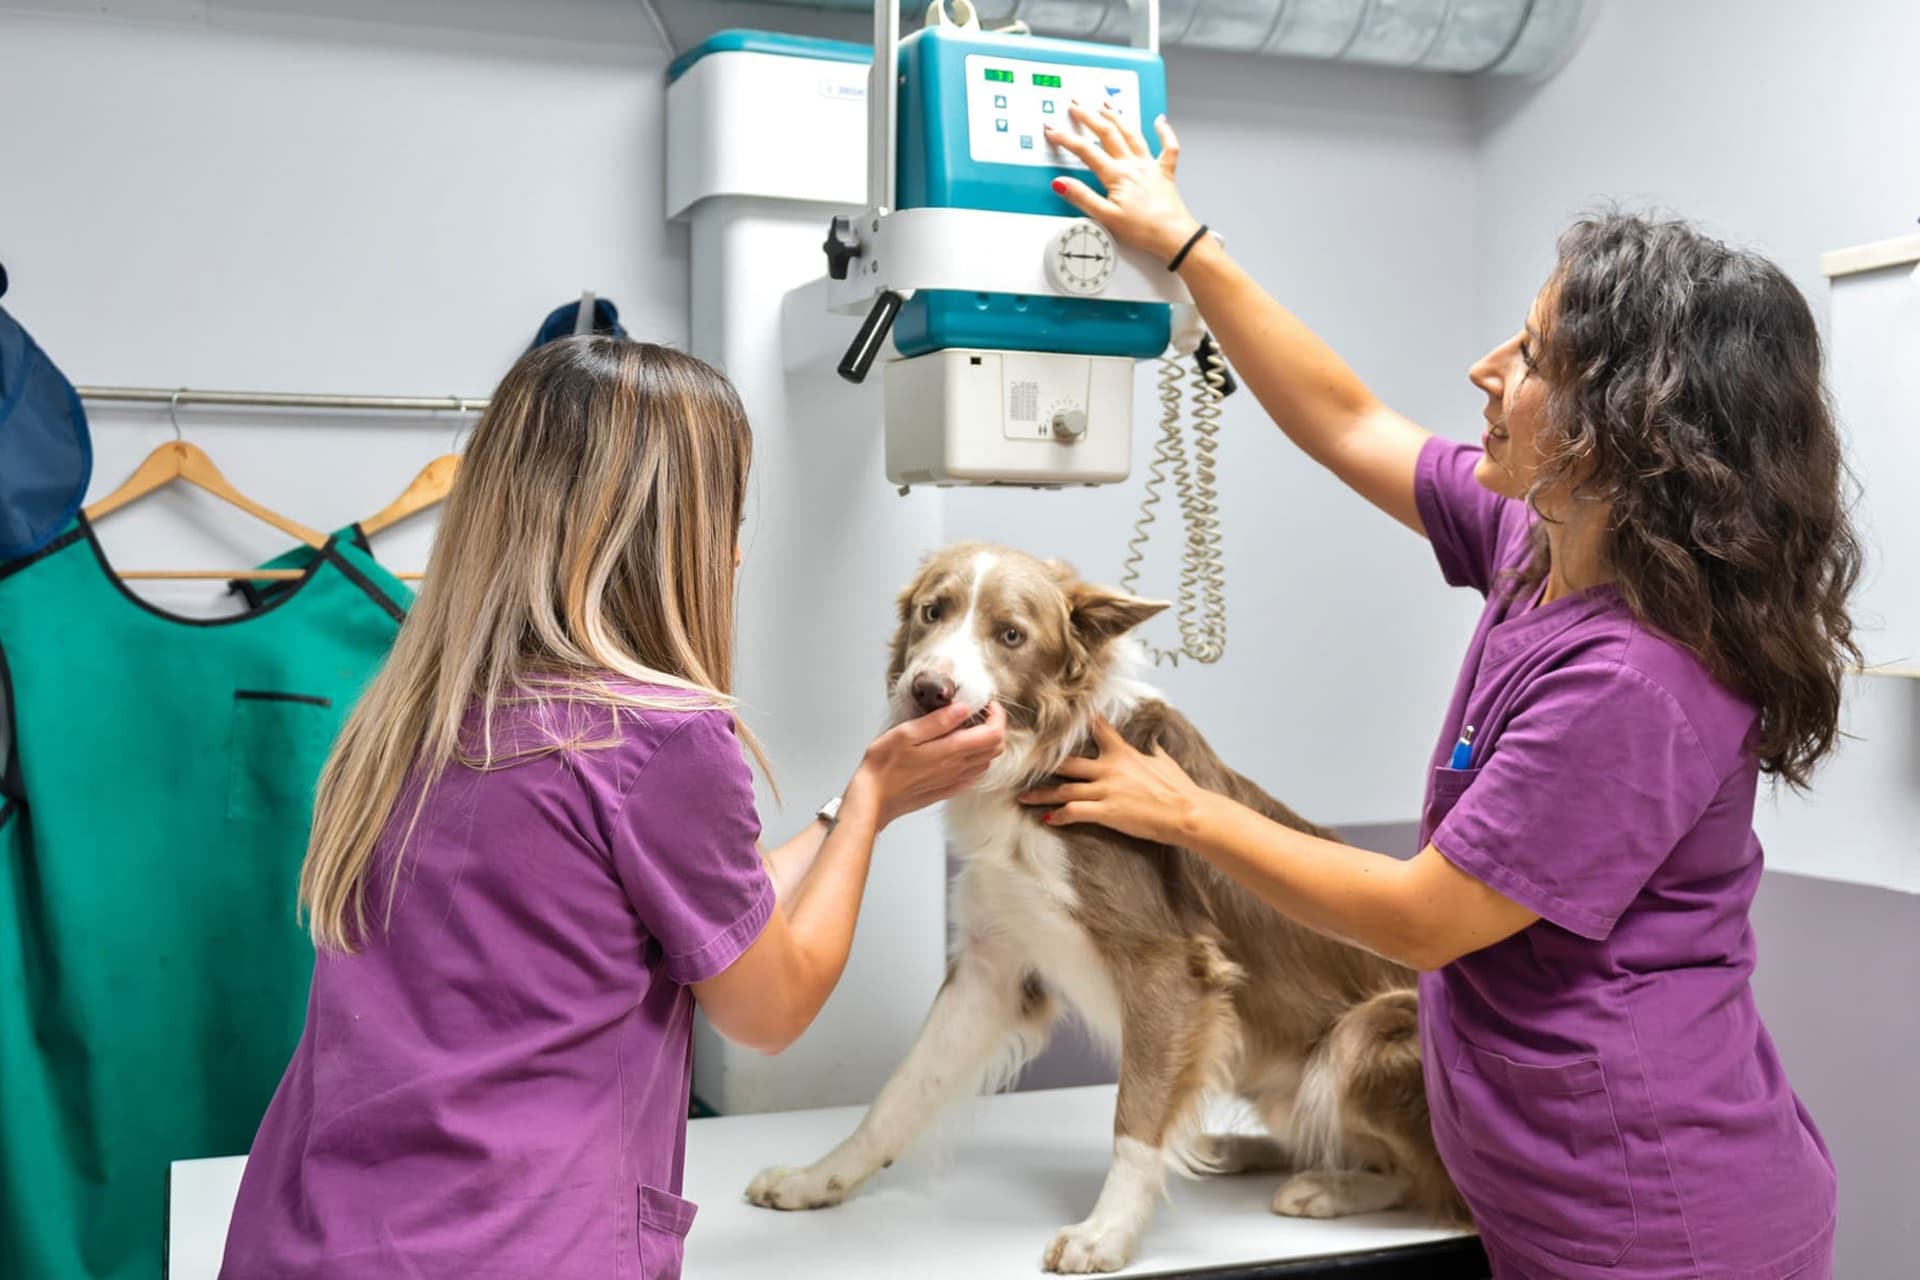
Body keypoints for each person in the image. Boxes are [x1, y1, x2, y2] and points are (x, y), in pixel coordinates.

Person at [1021, 102, 1851, 1279]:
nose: (1485, 371)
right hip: (1556, 1188)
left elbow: (1425, 916)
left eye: (1528, 357)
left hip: (1660, 1219)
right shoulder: (1540, 542)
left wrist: (1184, 810)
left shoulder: (1640, 677)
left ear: (1622, 426)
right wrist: (1187, 249)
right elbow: (1345, 418)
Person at [220, 338, 1006, 1278]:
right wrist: (874, 805)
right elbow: (771, 1006)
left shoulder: (408, 715)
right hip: (515, 1246)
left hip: (314, 1234)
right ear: (667, 530)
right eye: (728, 512)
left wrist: (847, 806)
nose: (739, 546)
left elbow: (699, 915)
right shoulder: (658, 735)